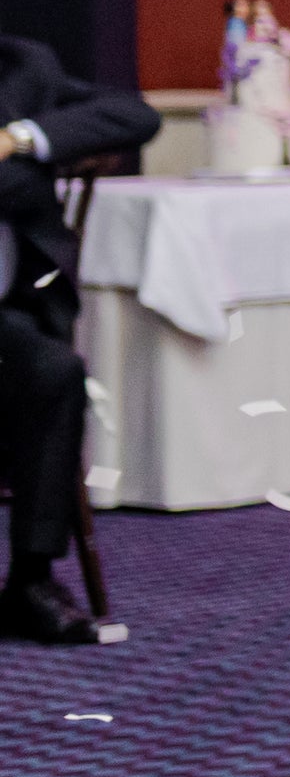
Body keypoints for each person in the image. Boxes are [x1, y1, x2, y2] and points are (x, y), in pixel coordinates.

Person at [0, 35, 156, 647]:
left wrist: (19, 139)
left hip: (6, 318)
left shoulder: (23, 66)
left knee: (53, 372)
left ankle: (31, 581)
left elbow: (133, 116)